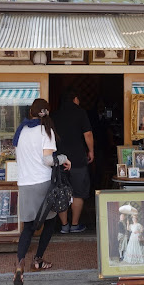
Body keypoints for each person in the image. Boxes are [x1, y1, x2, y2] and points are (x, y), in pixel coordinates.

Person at [12, 98, 71, 285]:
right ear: (47, 112)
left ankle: (19, 264)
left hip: (25, 184)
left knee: (28, 228)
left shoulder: (21, 131)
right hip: (43, 184)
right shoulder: (47, 131)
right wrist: (63, 158)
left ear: (31, 112)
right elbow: (47, 160)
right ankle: (37, 260)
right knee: (50, 223)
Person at [52, 90, 94, 234]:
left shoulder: (54, 115)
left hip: (59, 159)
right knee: (78, 192)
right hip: (77, 159)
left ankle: (64, 225)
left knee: (61, 191)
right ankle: (75, 224)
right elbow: (87, 133)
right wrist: (91, 151)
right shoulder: (80, 112)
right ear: (75, 99)